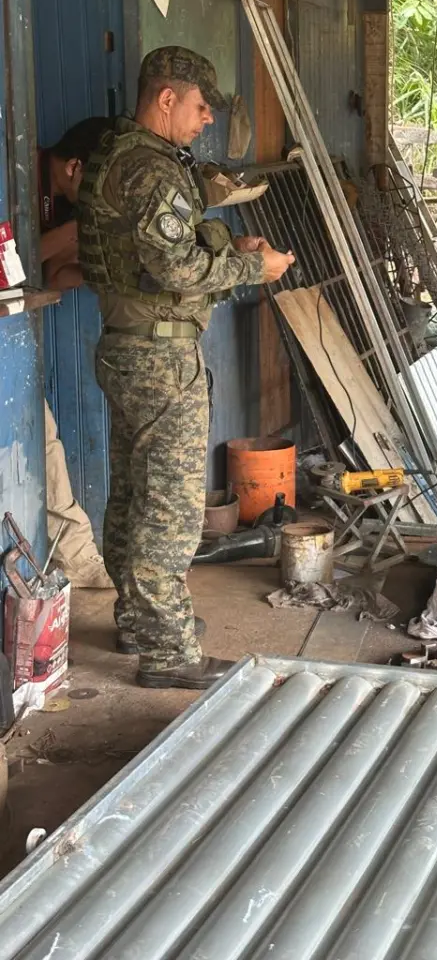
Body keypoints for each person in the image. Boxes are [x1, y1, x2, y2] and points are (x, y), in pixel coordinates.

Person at [77, 47, 295, 689]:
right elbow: (174, 270)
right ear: (166, 98)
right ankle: (168, 654)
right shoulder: (150, 170)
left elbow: (161, 252)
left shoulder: (119, 155)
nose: (206, 122)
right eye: (200, 108)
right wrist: (256, 266)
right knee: (169, 507)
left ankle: (141, 623)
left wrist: (230, 246)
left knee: (133, 495)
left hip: (130, 345)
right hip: (160, 357)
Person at [39, 117, 115, 590]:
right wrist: (70, 236)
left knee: (43, 440)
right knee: (41, 440)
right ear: (73, 167)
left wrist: (92, 271)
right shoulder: (17, 173)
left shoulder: (60, 202)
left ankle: (77, 555)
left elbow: (48, 276)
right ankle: (77, 557)